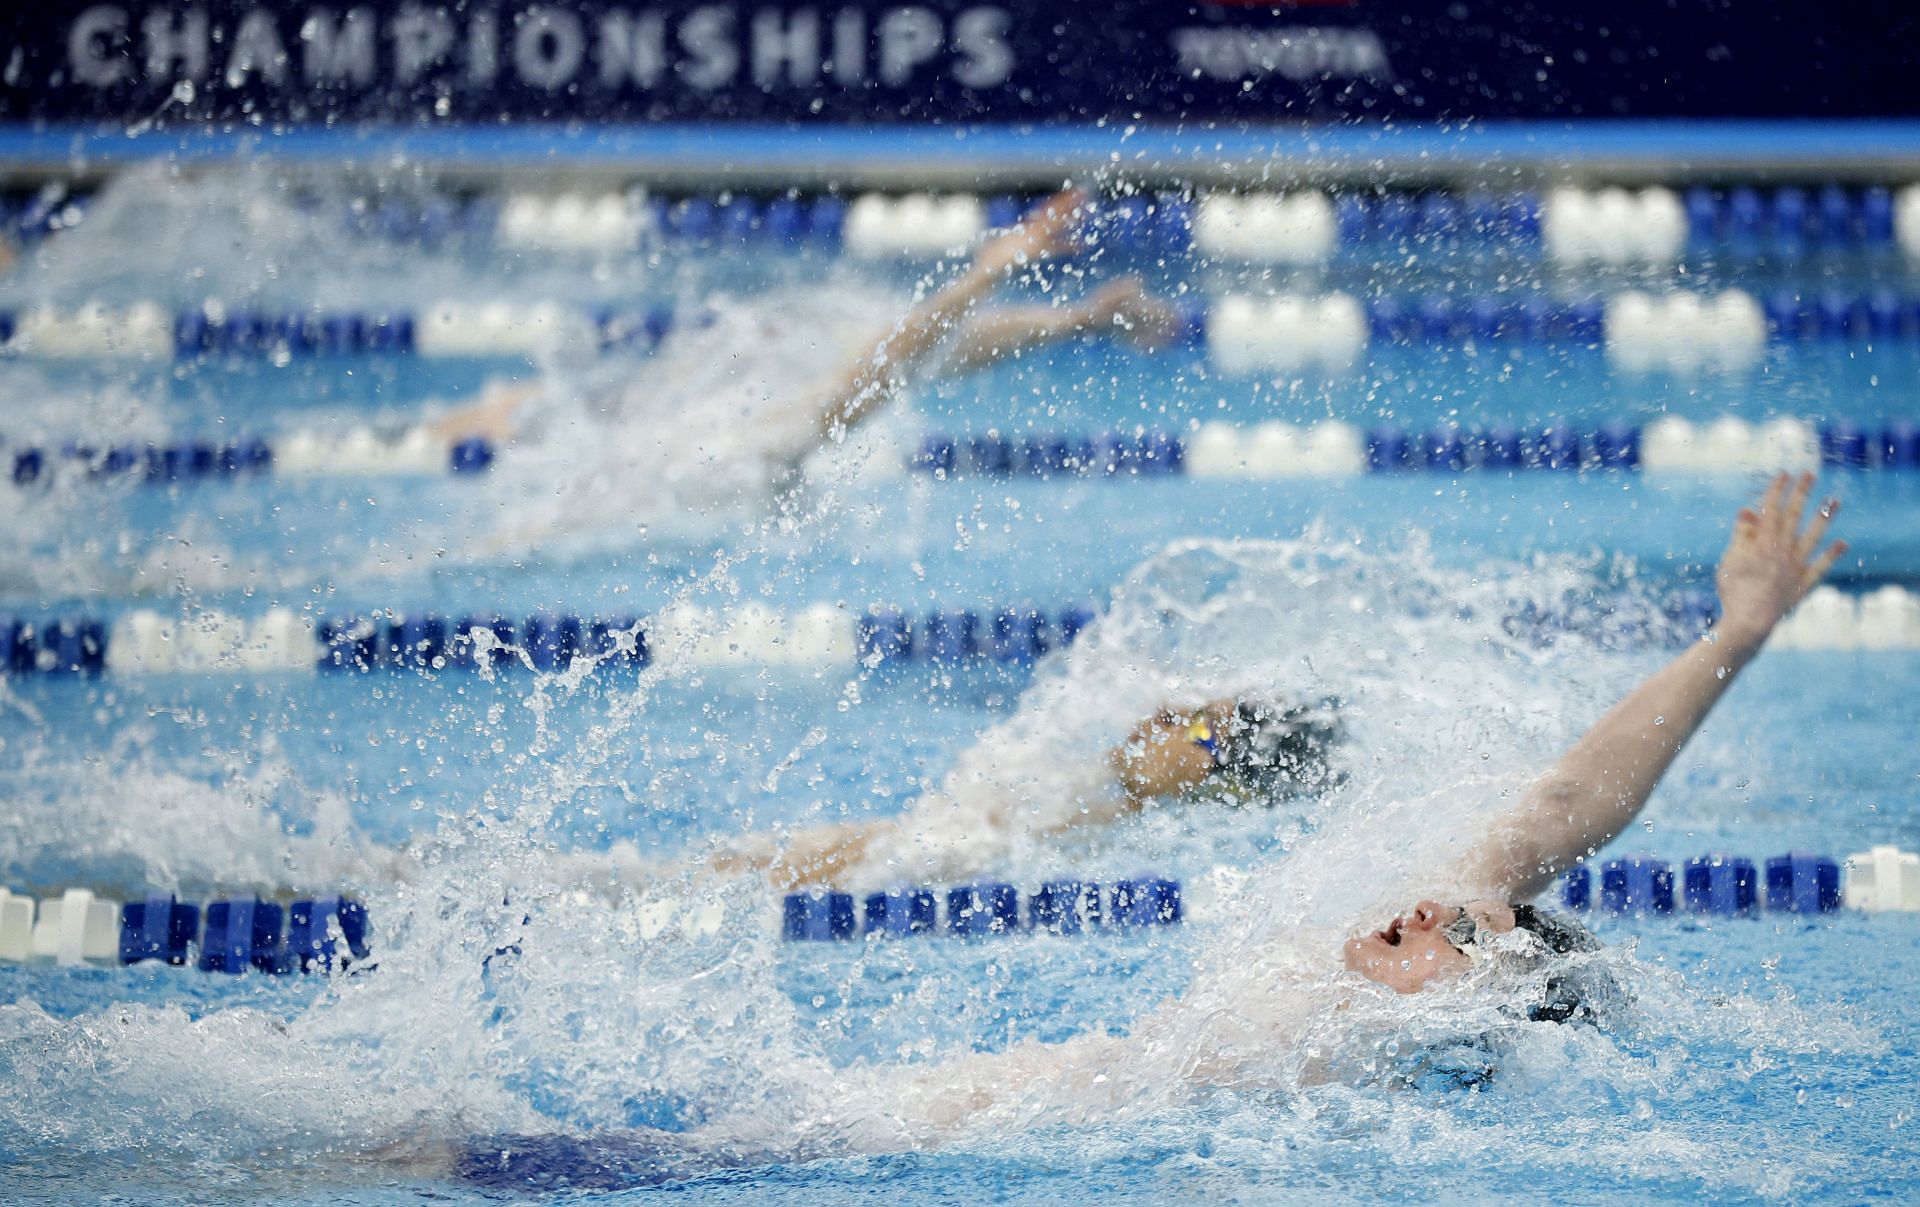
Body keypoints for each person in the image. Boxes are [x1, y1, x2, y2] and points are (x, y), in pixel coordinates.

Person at [424, 189, 1186, 506]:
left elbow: (908, 356)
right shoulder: (754, 448)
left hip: (605, 451)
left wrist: (1075, 318)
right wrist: (998, 276)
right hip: (618, 473)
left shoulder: (727, 434)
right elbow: (895, 359)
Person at [712, 695, 1345, 889]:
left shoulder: (1103, 811)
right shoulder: (1105, 780)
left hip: (963, 854)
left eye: (1199, 729)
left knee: (762, 872)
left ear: (1219, 779)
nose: (1167, 717)